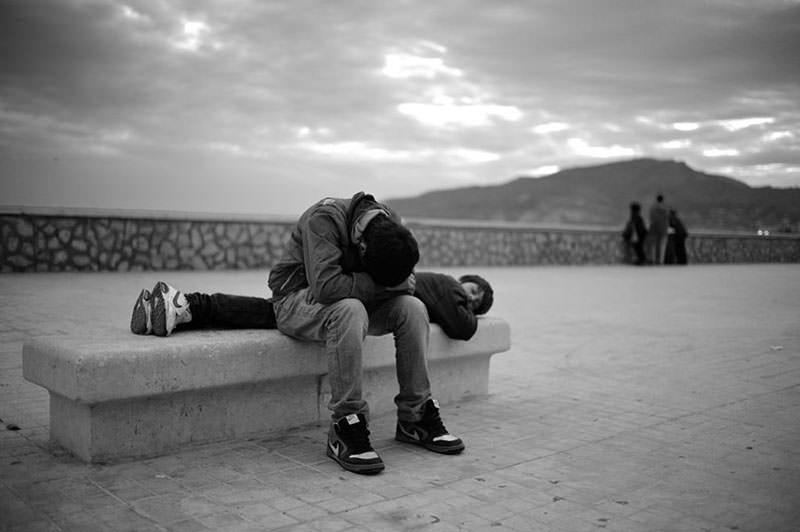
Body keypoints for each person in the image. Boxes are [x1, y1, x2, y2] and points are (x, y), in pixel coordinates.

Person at [132, 192, 466, 475]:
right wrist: (387, 284)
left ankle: (415, 417)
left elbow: (404, 282)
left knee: (413, 309)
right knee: (350, 309)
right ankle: (346, 423)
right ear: (362, 248)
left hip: (353, 301)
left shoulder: (389, 223)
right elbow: (326, 288)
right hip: (296, 301)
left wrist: (397, 285)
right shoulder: (322, 220)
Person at [130, 270, 494, 341]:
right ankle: (187, 305)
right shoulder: (448, 286)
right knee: (271, 314)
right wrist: (468, 312)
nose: (472, 298)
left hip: (351, 300)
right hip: (348, 303)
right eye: (475, 290)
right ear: (466, 281)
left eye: (478, 302)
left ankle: (179, 309)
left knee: (267, 314)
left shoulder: (439, 288)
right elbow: (462, 328)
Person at [648, 194, 669, 265]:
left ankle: (653, 259)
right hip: (663, 230)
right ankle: (661, 261)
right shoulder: (665, 209)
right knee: (662, 246)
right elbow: (667, 219)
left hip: (654, 230)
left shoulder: (653, 208)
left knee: (653, 246)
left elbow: (651, 219)